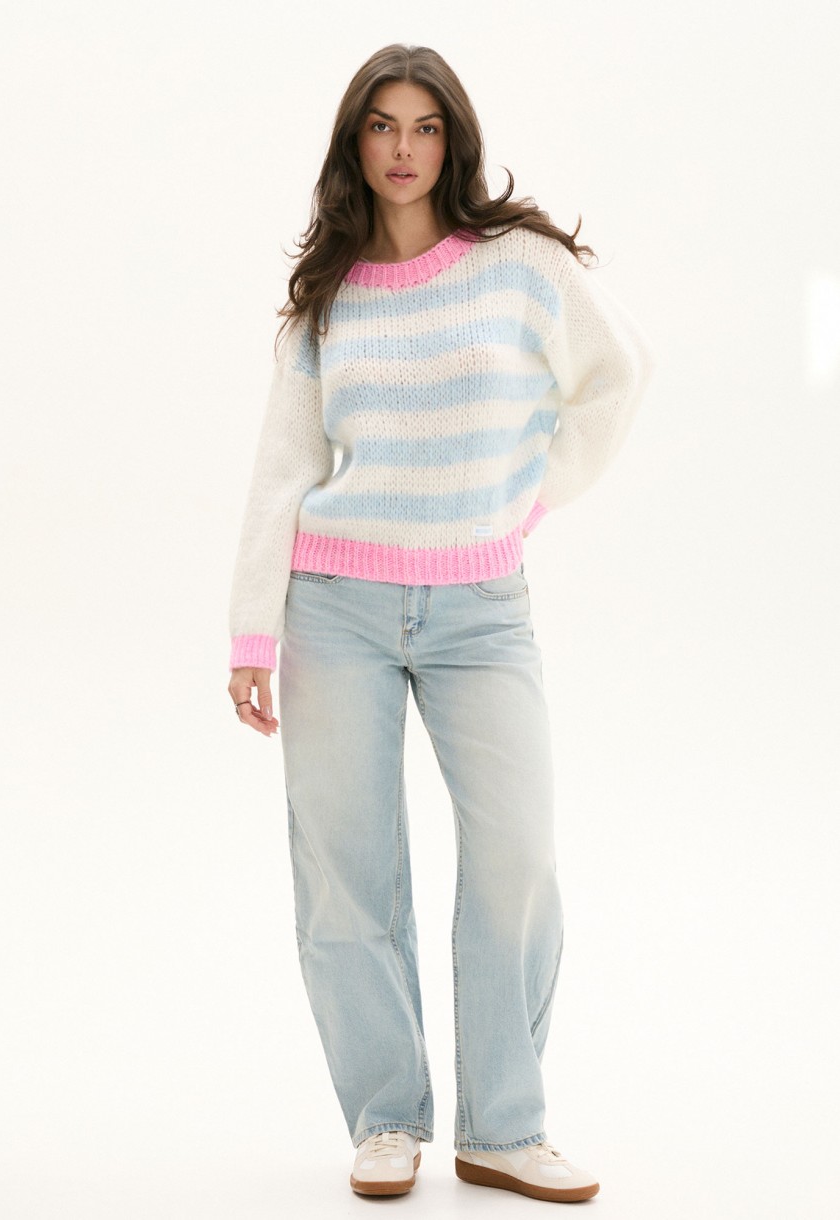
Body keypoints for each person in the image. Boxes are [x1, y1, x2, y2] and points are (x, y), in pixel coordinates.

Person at [226, 43, 655, 1204]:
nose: (402, 148)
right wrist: (251, 633)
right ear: (353, 143)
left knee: (518, 856)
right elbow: (282, 467)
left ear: (452, 139)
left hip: (479, 610)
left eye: (423, 126)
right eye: (381, 125)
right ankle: (385, 1117)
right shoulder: (326, 295)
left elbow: (618, 373)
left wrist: (530, 497)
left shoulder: (520, 265)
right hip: (334, 608)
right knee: (345, 871)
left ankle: (503, 1125)